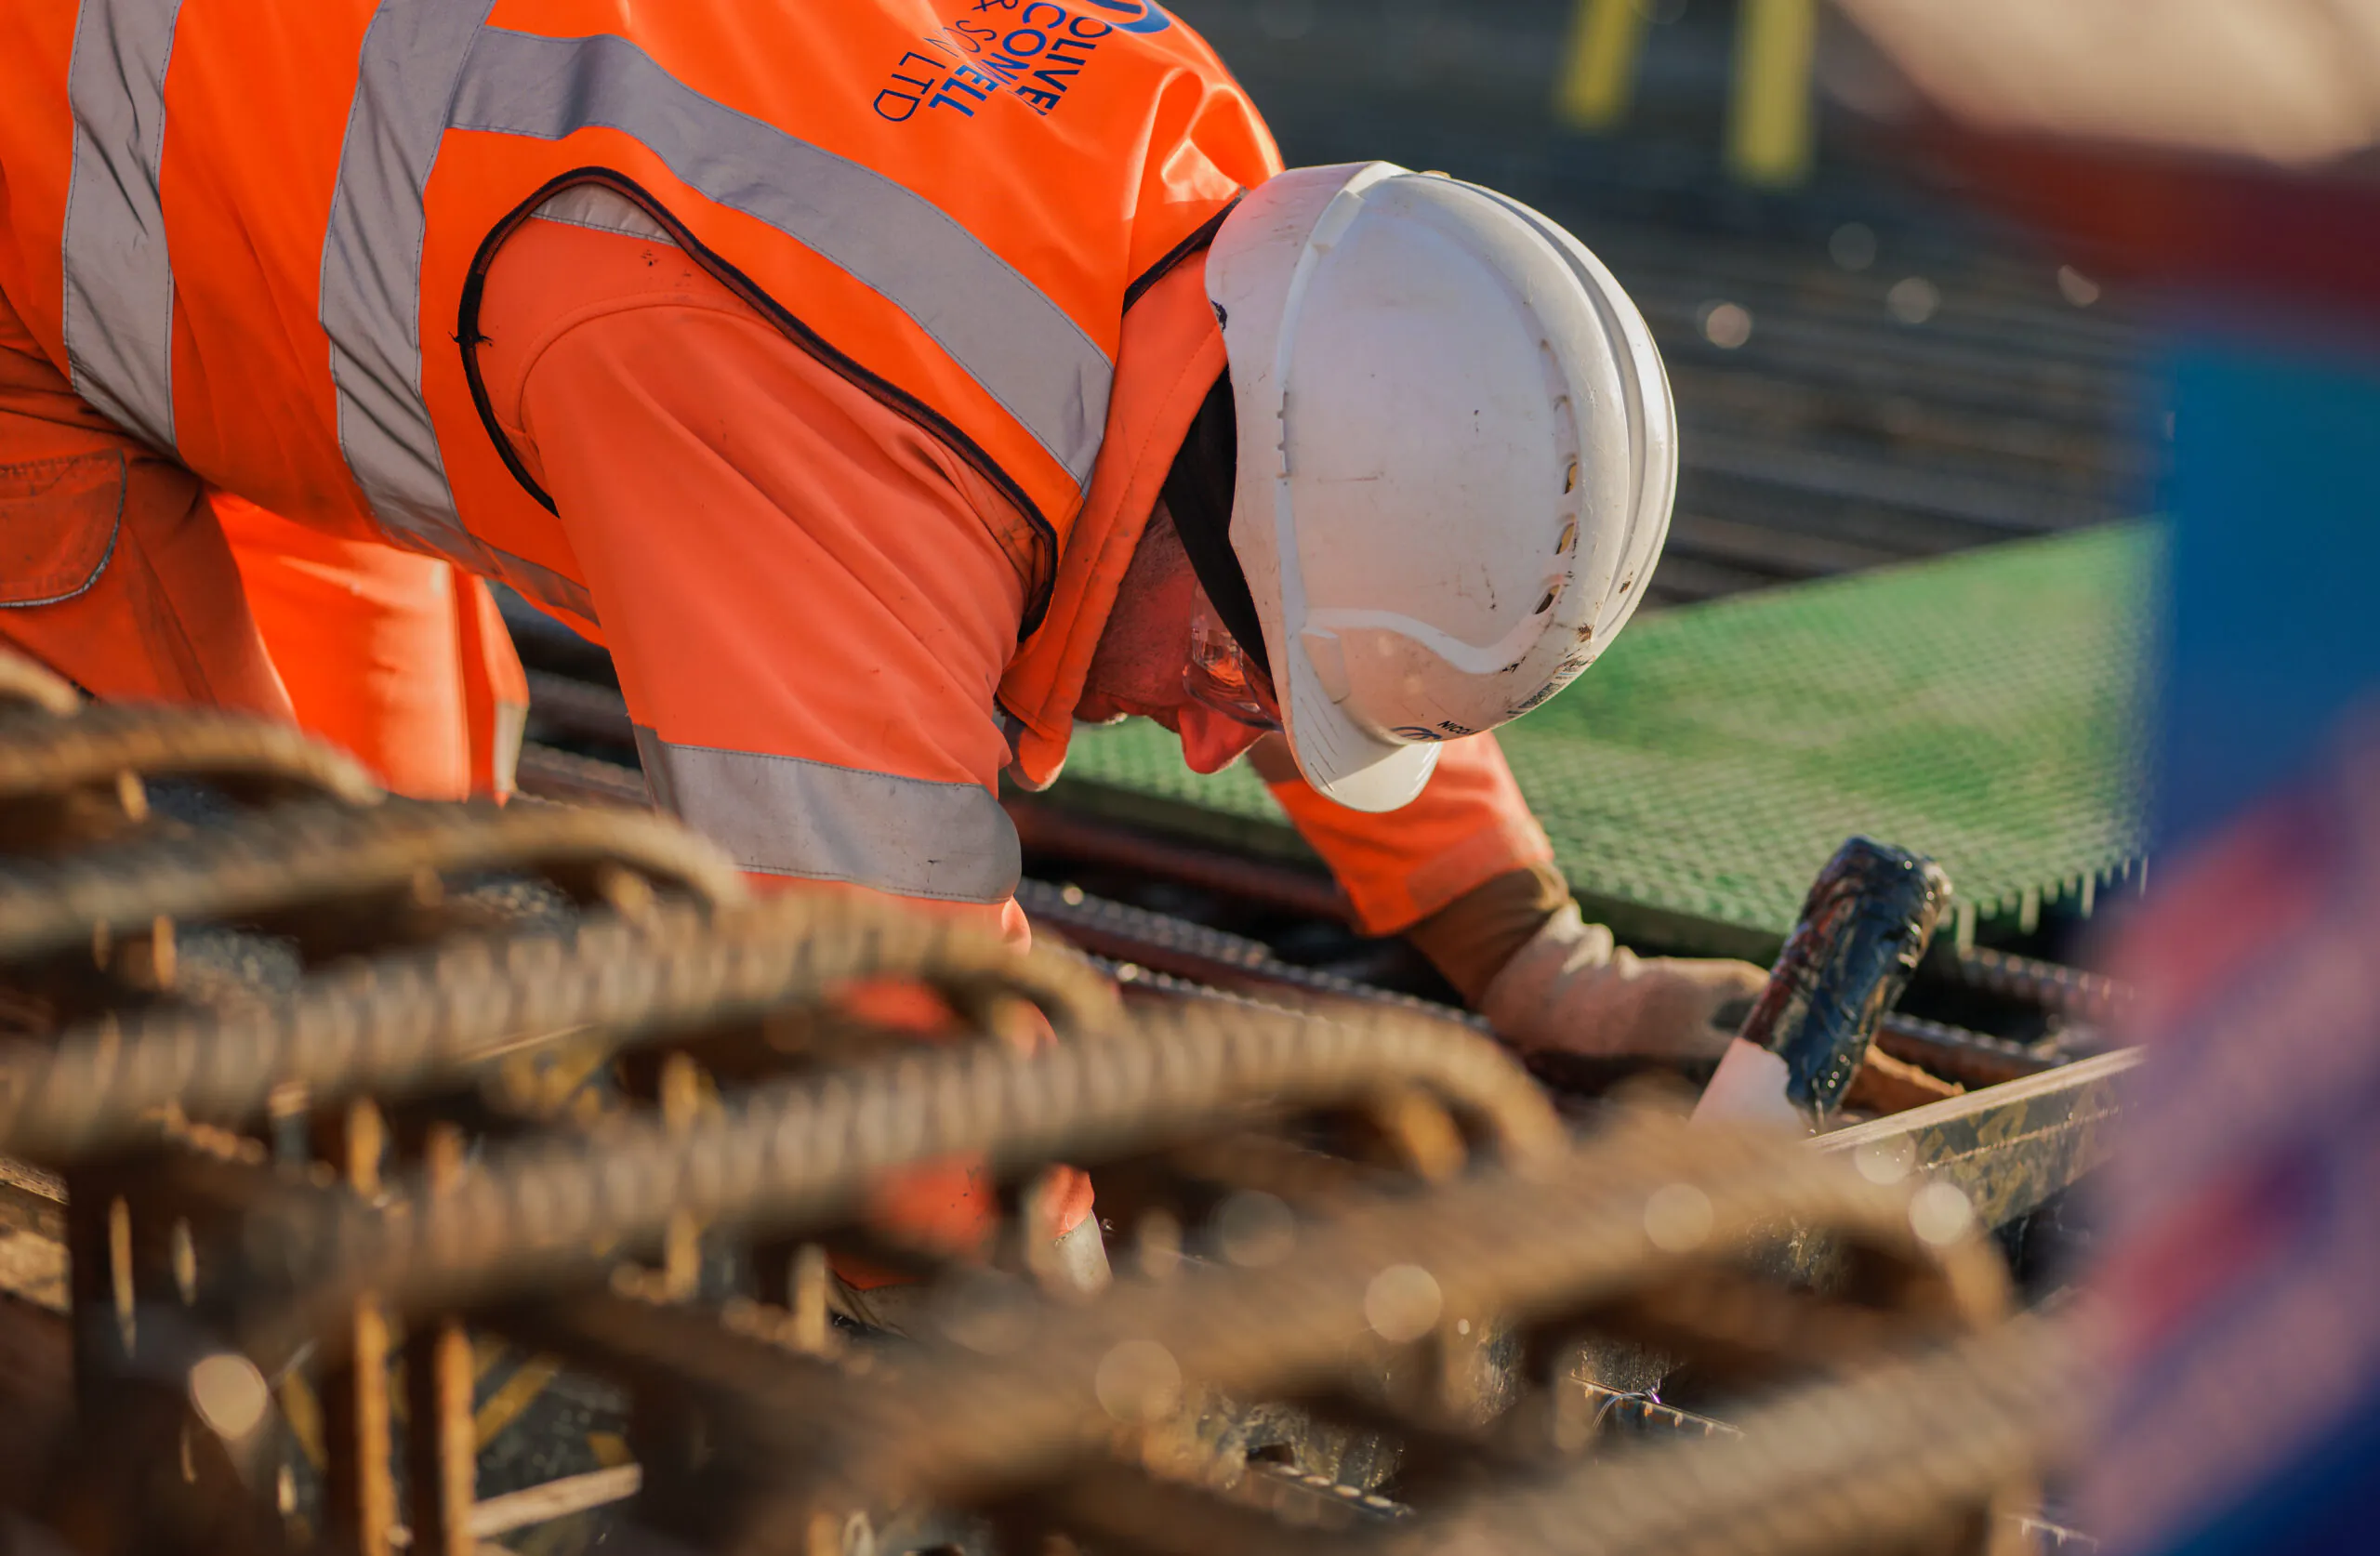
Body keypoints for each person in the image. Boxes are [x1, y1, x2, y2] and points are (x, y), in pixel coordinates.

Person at [0, 1, 1765, 1073]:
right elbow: (889, 1075)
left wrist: (1541, 961)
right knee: (245, 982)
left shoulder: (1209, 201)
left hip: (291, 181)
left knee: (404, 924)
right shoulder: (818, 426)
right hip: (40, 227)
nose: (1223, 741)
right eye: (1242, 680)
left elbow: (1305, 541)